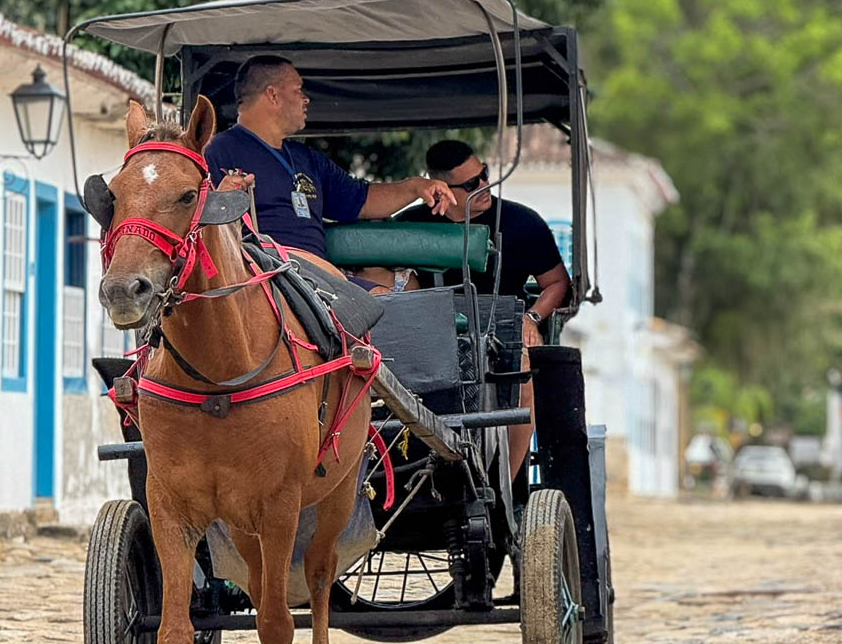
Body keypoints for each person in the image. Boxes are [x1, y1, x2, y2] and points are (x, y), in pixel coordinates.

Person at [400, 139, 571, 483]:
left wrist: (532, 318)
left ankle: (503, 482)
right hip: (430, 329)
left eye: (485, 175)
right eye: (470, 184)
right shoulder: (409, 226)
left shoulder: (524, 223)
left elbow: (557, 283)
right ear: (441, 190)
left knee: (522, 374)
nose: (484, 186)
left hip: (504, 325)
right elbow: (385, 277)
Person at [204, 55, 455, 269]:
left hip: (317, 279)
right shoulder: (217, 151)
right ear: (273, 95)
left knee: (382, 299)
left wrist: (415, 187)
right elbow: (192, 226)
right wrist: (220, 202)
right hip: (261, 277)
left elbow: (363, 200)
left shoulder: (307, 158)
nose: (306, 99)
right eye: (298, 90)